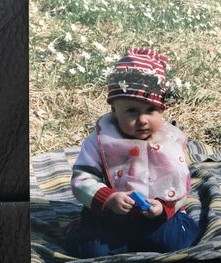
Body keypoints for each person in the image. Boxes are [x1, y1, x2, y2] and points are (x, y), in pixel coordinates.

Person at [64, 48, 200, 259]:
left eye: (151, 110)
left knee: (177, 242)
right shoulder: (101, 141)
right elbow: (82, 178)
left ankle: (153, 234)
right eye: (132, 111)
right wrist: (108, 198)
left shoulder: (169, 141)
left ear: (162, 111)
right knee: (91, 250)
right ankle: (82, 232)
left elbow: (179, 181)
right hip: (109, 219)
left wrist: (162, 208)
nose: (143, 119)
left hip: (155, 216)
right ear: (114, 111)